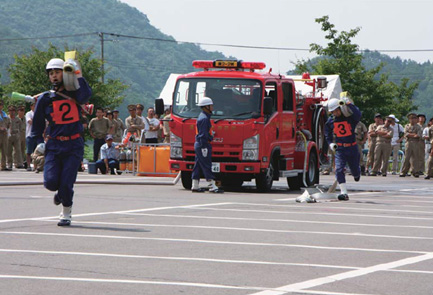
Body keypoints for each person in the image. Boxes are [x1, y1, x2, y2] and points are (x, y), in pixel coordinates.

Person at [31, 57, 91, 226]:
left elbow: (86, 95)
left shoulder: (75, 93)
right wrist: (38, 142)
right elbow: (37, 124)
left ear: (64, 73)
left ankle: (66, 212)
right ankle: (59, 194)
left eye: (57, 72)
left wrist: (77, 73)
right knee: (50, 182)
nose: (54, 76)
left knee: (66, 183)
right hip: (54, 144)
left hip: (73, 145)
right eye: (51, 73)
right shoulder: (45, 98)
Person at [325, 95, 362, 201]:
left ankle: (357, 173)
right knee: (339, 169)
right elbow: (327, 132)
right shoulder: (331, 121)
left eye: (336, 111)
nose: (334, 113)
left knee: (355, 170)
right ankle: (344, 193)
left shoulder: (350, 118)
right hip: (340, 149)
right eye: (332, 112)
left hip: (352, 147)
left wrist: (349, 104)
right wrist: (330, 143)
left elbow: (358, 115)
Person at [191, 97, 223, 193]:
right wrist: (210, 137)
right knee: (206, 164)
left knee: (198, 165)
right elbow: (203, 134)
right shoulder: (204, 119)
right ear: (206, 107)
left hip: (199, 144)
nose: (212, 107)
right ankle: (212, 185)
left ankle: (195, 185)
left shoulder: (202, 117)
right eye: (211, 105)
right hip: (203, 144)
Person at [400, 113, 422, 177]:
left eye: (414, 118)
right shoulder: (407, 126)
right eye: (411, 118)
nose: (412, 120)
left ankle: (415, 171)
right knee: (406, 157)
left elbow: (418, 135)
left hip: (416, 143)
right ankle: (404, 171)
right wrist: (413, 134)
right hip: (408, 142)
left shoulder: (418, 127)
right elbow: (406, 134)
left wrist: (411, 134)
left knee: (415, 157)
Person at [25, 102, 36, 171]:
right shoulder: (29, 113)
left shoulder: (39, 113)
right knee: (29, 151)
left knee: (37, 152)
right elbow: (30, 121)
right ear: (31, 106)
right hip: (30, 134)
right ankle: (28, 165)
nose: (35, 107)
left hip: (37, 135)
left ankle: (36, 165)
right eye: (33, 106)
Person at [0, 100, 11, 171]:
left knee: (4, 150)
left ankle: (3, 166)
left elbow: (9, 123)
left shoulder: (5, 115)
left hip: (4, 135)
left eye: (1, 105)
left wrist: (7, 128)